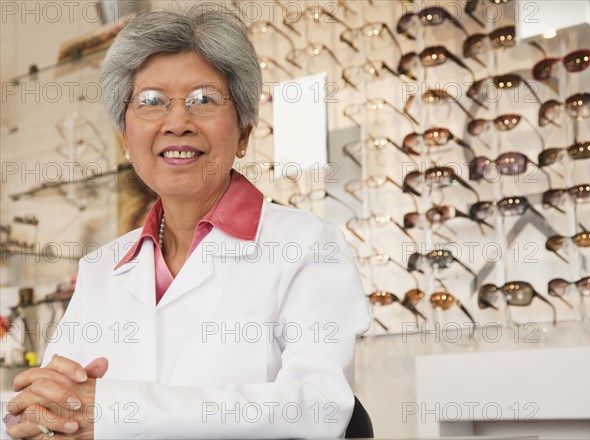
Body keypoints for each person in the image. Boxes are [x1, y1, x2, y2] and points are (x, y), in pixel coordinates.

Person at [2, 4, 371, 439]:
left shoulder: (308, 246)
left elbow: (318, 406)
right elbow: (53, 403)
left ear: (244, 134)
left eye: (204, 100)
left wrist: (120, 411)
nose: (177, 122)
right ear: (125, 137)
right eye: (152, 102)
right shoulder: (102, 267)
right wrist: (30, 418)